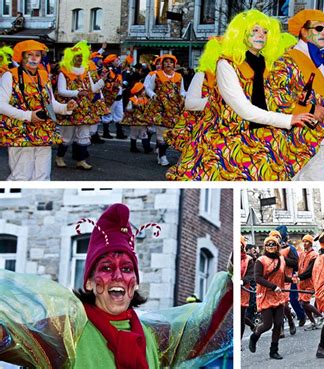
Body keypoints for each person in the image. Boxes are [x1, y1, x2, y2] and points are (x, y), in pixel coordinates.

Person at [0, 203, 233, 368]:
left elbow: (206, 333)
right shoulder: (66, 330)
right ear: (90, 282)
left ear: (135, 283)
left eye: (127, 269)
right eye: (107, 268)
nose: (119, 276)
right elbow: (11, 339)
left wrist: (235, 277)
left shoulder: (153, 334)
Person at [168, 9, 316, 181]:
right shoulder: (226, 64)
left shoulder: (269, 66)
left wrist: (306, 107)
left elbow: (281, 100)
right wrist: (288, 119)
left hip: (262, 136)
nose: (261, 35)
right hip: (228, 140)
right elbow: (244, 109)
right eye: (255, 30)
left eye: (265, 31)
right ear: (242, 34)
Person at [275, 9, 324, 180]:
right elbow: (276, 95)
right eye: (319, 28)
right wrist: (310, 108)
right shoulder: (287, 59)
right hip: (294, 138)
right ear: (304, 31)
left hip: (323, 137)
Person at [0, 40, 77, 180]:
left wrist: (66, 108)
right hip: (20, 132)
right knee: (21, 177)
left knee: (43, 176)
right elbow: (1, 105)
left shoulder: (43, 75)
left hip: (43, 131)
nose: (34, 58)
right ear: (22, 57)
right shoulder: (9, 75)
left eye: (38, 55)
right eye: (30, 54)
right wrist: (28, 116)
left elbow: (50, 103)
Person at [55, 40, 109, 170]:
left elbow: (92, 89)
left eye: (82, 56)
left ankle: (81, 160)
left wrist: (102, 81)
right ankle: (59, 157)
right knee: (67, 137)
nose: (80, 59)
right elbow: (61, 91)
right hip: (70, 107)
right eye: (77, 56)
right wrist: (77, 93)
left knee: (84, 135)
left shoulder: (86, 72)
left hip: (85, 109)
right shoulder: (64, 72)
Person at [248, 235, 294, 359]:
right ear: (265, 247)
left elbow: (282, 276)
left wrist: (293, 279)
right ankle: (254, 336)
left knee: (278, 324)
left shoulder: (281, 259)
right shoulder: (261, 260)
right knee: (267, 324)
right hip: (265, 295)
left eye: (273, 244)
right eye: (268, 244)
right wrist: (273, 286)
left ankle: (274, 350)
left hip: (278, 295)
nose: (271, 247)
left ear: (277, 246)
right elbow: (257, 278)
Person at [145, 54, 185, 166]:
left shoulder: (179, 76)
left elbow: (182, 90)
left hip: (174, 109)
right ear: (162, 64)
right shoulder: (156, 75)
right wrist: (153, 95)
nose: (168, 64)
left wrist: (183, 97)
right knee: (161, 134)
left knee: (171, 134)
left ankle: (160, 153)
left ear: (174, 64)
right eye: (166, 62)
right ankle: (162, 156)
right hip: (160, 108)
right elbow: (148, 88)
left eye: (170, 62)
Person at [296, 234, 322, 330]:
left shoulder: (314, 255)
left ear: (311, 243)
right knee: (302, 303)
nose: (304, 243)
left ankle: (319, 315)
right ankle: (313, 322)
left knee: (304, 303)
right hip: (301, 282)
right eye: (303, 241)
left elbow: (310, 270)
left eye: (307, 241)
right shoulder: (302, 254)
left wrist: (300, 277)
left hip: (310, 282)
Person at [100, 54, 128, 140]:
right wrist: (113, 85)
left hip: (119, 95)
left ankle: (119, 133)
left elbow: (125, 64)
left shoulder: (118, 70)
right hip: (110, 96)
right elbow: (103, 83)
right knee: (108, 114)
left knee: (119, 114)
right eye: (116, 60)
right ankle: (106, 132)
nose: (118, 62)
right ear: (111, 62)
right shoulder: (105, 71)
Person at [121, 82, 153, 154]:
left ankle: (134, 147)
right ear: (140, 91)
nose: (145, 92)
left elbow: (128, 109)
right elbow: (129, 109)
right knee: (143, 134)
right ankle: (146, 148)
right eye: (143, 90)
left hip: (135, 121)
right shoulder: (136, 100)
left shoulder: (139, 99)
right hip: (140, 121)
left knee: (135, 134)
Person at [241, 235, 255, 338]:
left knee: (240, 317)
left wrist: (243, 281)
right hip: (232, 290)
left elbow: (251, 274)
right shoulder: (232, 257)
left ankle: (239, 341)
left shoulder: (249, 259)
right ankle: (252, 325)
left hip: (243, 290)